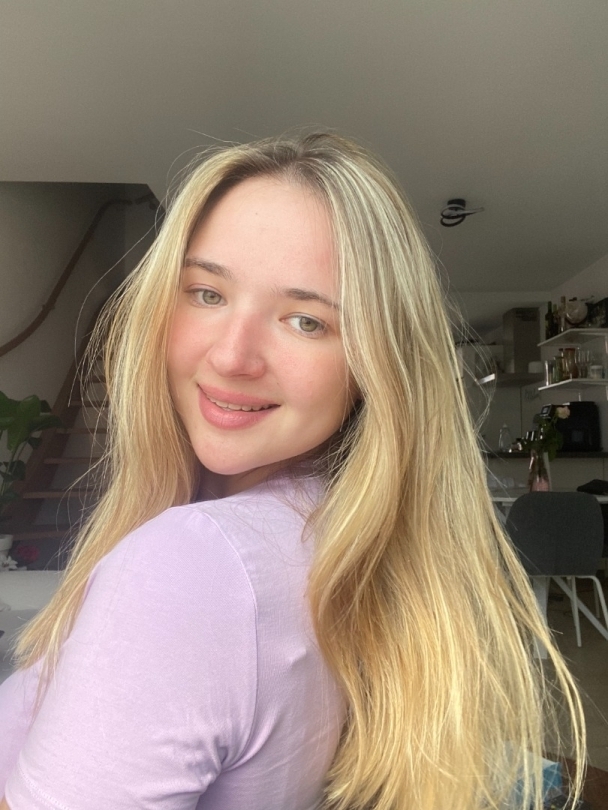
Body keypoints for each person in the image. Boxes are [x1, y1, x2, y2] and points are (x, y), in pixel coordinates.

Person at [0, 132, 584, 810]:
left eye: (306, 321)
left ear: (375, 366)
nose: (232, 356)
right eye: (207, 292)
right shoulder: (332, 543)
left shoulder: (193, 565)